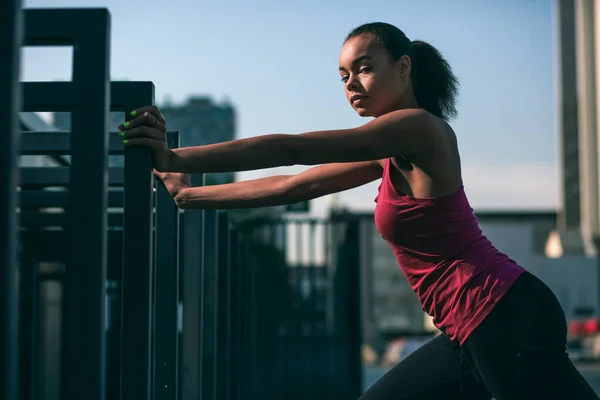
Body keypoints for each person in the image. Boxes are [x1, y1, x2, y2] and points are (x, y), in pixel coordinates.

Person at [118, 22, 599, 400]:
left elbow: (293, 147)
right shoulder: (390, 148)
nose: (353, 85)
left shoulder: (418, 129)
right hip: (472, 326)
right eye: (344, 76)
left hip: (500, 314)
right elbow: (293, 185)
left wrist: (178, 158)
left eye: (365, 69)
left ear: (404, 67)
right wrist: (187, 194)